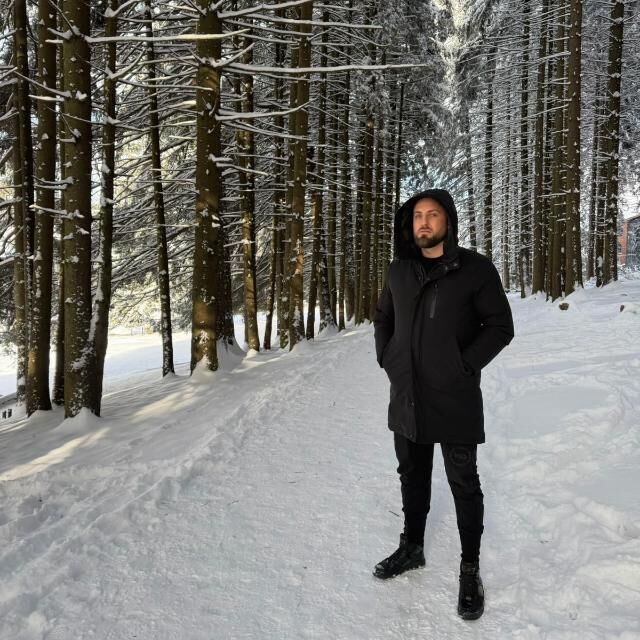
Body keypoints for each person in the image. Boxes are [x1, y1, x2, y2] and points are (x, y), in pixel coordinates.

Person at [372, 188, 514, 620]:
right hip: (408, 396)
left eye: (433, 214)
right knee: (411, 474)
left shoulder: (475, 270)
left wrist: (463, 365)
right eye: (418, 215)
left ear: (448, 221)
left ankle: (469, 568)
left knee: (463, 483)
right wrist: (388, 357)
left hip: (454, 398)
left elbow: (500, 326)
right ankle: (412, 546)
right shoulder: (399, 270)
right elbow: (384, 317)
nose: (424, 222)